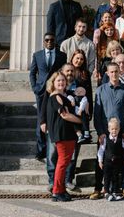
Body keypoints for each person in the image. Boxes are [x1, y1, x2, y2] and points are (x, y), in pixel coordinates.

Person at [90, 62, 124, 200]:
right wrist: (100, 132)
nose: (114, 74)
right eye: (111, 72)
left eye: (116, 71)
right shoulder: (100, 90)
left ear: (119, 72)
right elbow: (97, 114)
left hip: (121, 133)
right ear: (107, 73)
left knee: (123, 160)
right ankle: (99, 188)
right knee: (102, 161)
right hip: (105, 133)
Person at [45, 71, 81, 202]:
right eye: (58, 81)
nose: (61, 83)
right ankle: (56, 191)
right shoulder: (55, 97)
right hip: (63, 134)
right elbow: (64, 115)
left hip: (66, 133)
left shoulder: (61, 96)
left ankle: (60, 189)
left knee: (63, 163)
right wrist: (80, 121)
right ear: (53, 83)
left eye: (63, 80)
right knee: (62, 163)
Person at [30, 32, 67, 160]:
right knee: (41, 119)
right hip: (41, 91)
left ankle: (54, 150)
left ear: (55, 41)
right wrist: (35, 87)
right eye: (47, 40)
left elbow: (64, 72)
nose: (49, 42)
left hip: (55, 91)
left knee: (54, 118)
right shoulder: (37, 55)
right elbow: (32, 73)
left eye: (52, 40)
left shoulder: (62, 56)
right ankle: (41, 149)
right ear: (44, 42)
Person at [97, 117, 124, 201]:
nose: (114, 131)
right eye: (112, 129)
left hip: (117, 163)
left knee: (115, 177)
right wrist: (100, 161)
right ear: (109, 129)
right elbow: (101, 150)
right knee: (107, 178)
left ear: (119, 129)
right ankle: (106, 192)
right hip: (107, 163)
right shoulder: (105, 139)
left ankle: (114, 192)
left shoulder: (121, 140)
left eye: (116, 129)